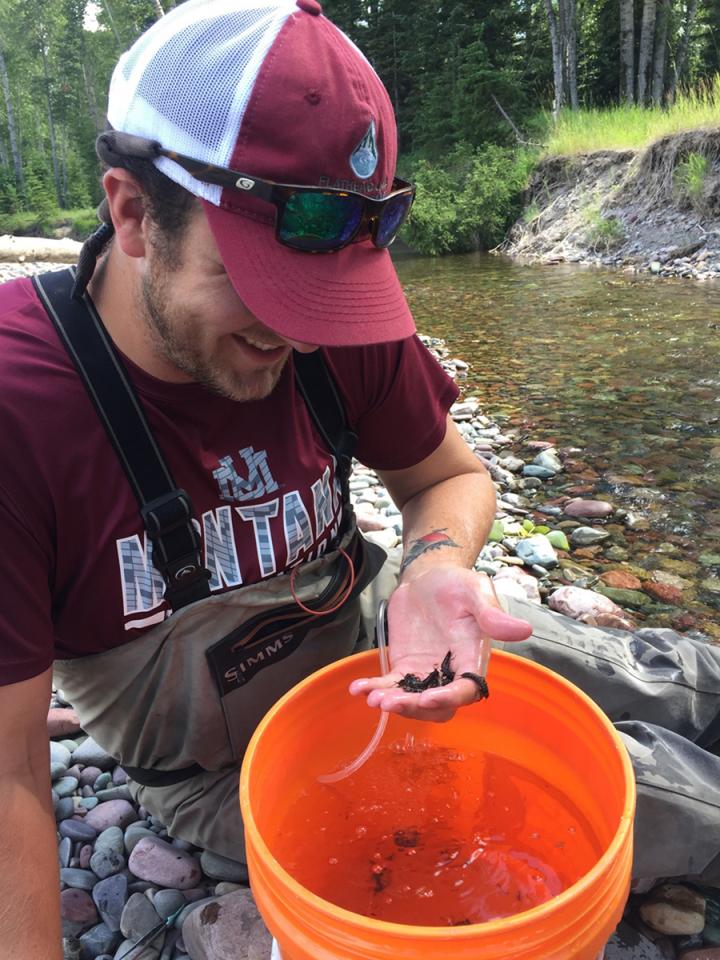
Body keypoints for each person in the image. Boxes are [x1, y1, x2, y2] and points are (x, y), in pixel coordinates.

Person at [0, 3, 719, 959]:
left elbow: (447, 478)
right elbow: (9, 775)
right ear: (132, 211)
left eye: (327, 297)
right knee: (662, 795)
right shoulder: (20, 411)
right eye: (263, 287)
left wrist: (430, 568)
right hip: (237, 767)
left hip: (389, 623)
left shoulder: (338, 318)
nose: (301, 332)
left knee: (656, 678)